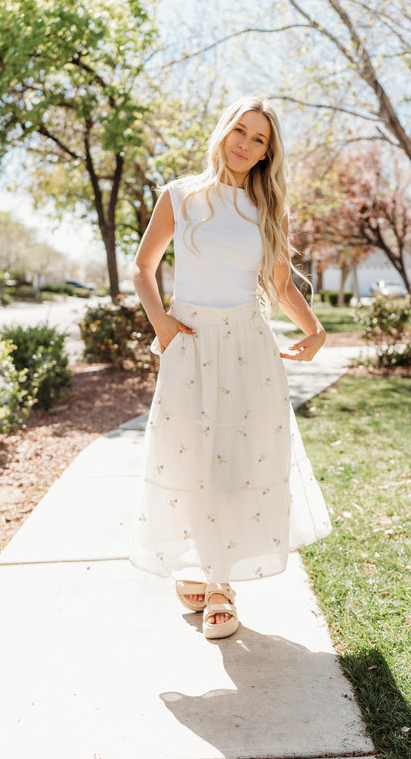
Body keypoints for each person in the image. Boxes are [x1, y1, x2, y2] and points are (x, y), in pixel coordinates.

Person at [129, 96, 332, 639]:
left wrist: (313, 330)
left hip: (248, 345)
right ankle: (199, 566)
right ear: (224, 131)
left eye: (259, 139)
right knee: (190, 456)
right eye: (240, 131)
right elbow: (144, 268)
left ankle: (220, 585)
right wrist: (162, 325)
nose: (245, 143)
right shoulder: (180, 195)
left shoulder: (269, 209)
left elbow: (280, 283)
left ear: (267, 153)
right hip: (189, 342)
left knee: (236, 460)